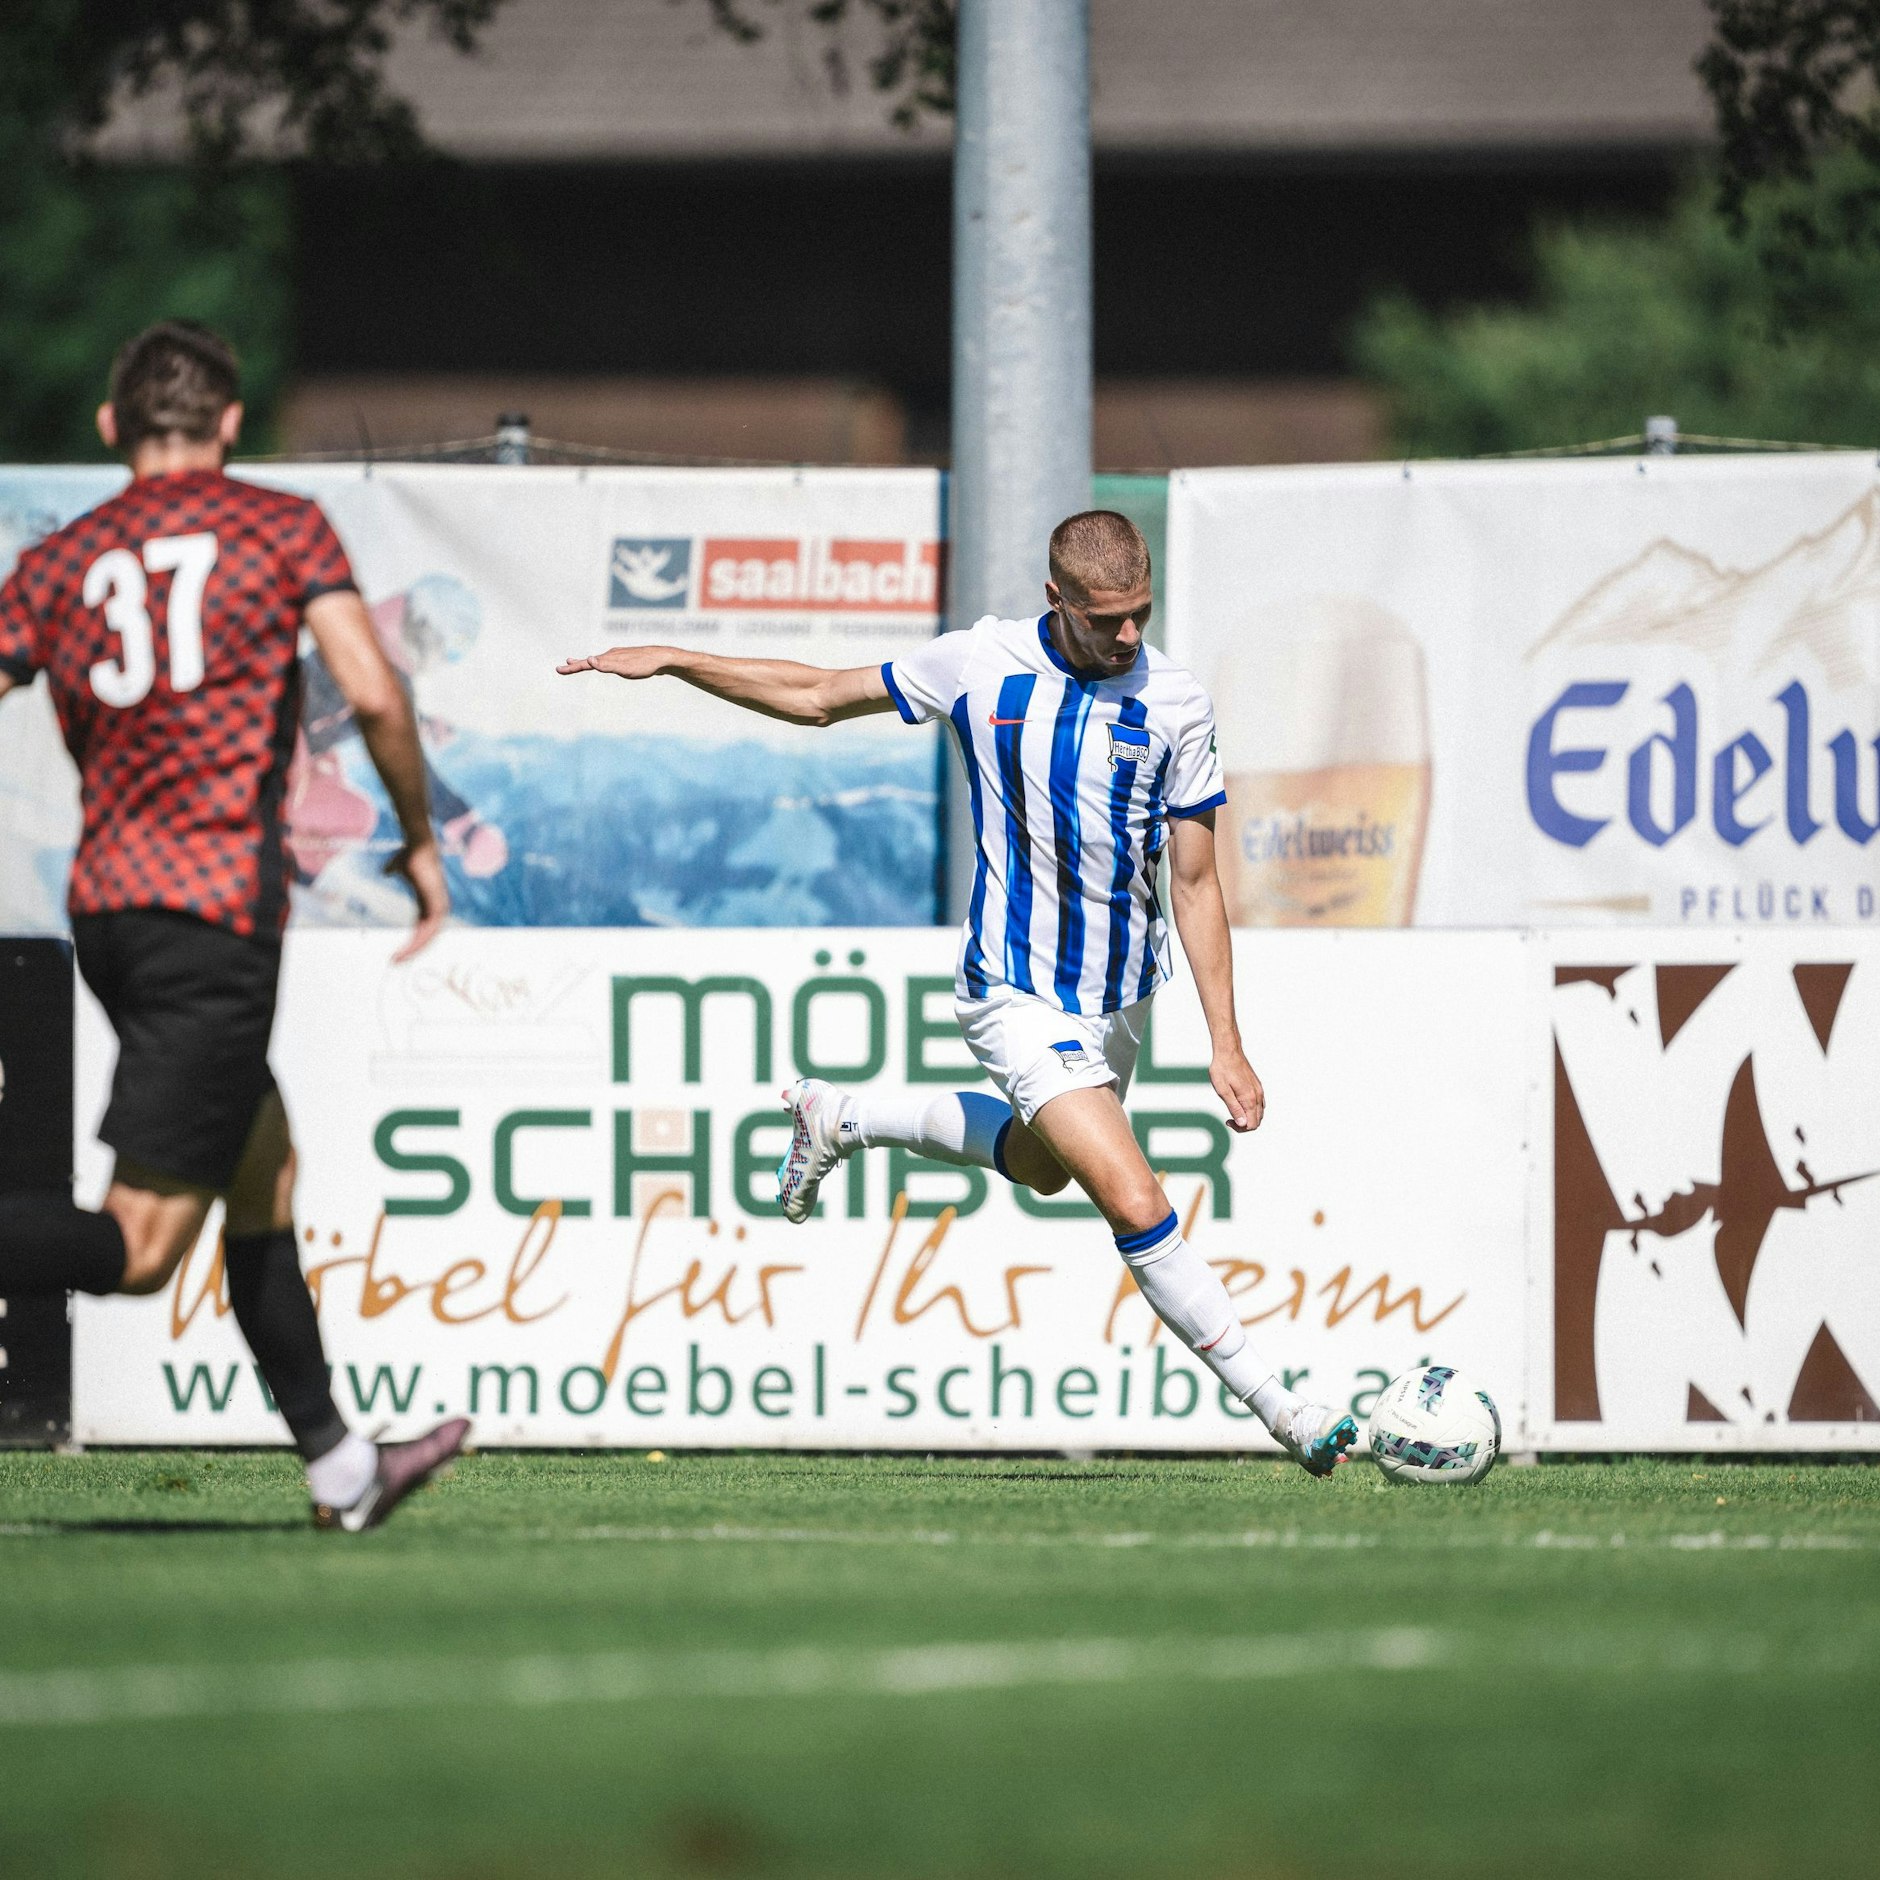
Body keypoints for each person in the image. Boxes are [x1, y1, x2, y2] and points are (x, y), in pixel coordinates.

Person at [559, 509, 1359, 1474]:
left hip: (1118, 1002)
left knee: (1045, 1165)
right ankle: (1289, 1412)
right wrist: (682, 659)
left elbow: (1194, 881)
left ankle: (841, 1115)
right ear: (1055, 599)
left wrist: (1225, 1040)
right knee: (1131, 1193)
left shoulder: (1179, 705)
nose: (1128, 636)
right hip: (1012, 992)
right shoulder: (979, 665)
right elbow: (817, 695)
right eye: (1107, 619)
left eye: (1141, 613)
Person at [0, 322, 469, 1528]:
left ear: (111, 427)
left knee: (263, 1161)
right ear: (228, 424)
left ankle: (342, 1467)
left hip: (107, 909)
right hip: (209, 916)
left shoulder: (60, 562)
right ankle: (344, 1469)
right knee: (142, 1246)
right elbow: (372, 689)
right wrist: (417, 839)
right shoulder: (278, 526)